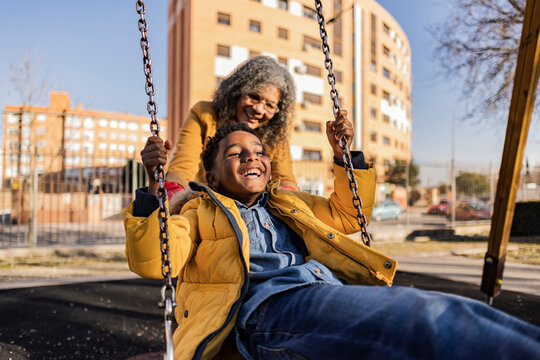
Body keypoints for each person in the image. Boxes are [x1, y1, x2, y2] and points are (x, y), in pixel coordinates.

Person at [125, 113, 540, 360]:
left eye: (258, 150)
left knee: (447, 311)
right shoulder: (198, 211)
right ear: (211, 175)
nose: (252, 155)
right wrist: (153, 188)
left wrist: (344, 156)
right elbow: (157, 260)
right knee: (426, 318)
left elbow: (347, 213)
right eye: (236, 152)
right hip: (270, 310)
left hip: (324, 289)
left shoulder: (288, 202)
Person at [164, 55, 298, 196]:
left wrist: (286, 198)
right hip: (204, 201)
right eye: (254, 97)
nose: (259, 109)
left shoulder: (275, 135)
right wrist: (176, 198)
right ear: (238, 91)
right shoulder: (205, 115)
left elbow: (285, 179)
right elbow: (182, 168)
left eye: (269, 105)